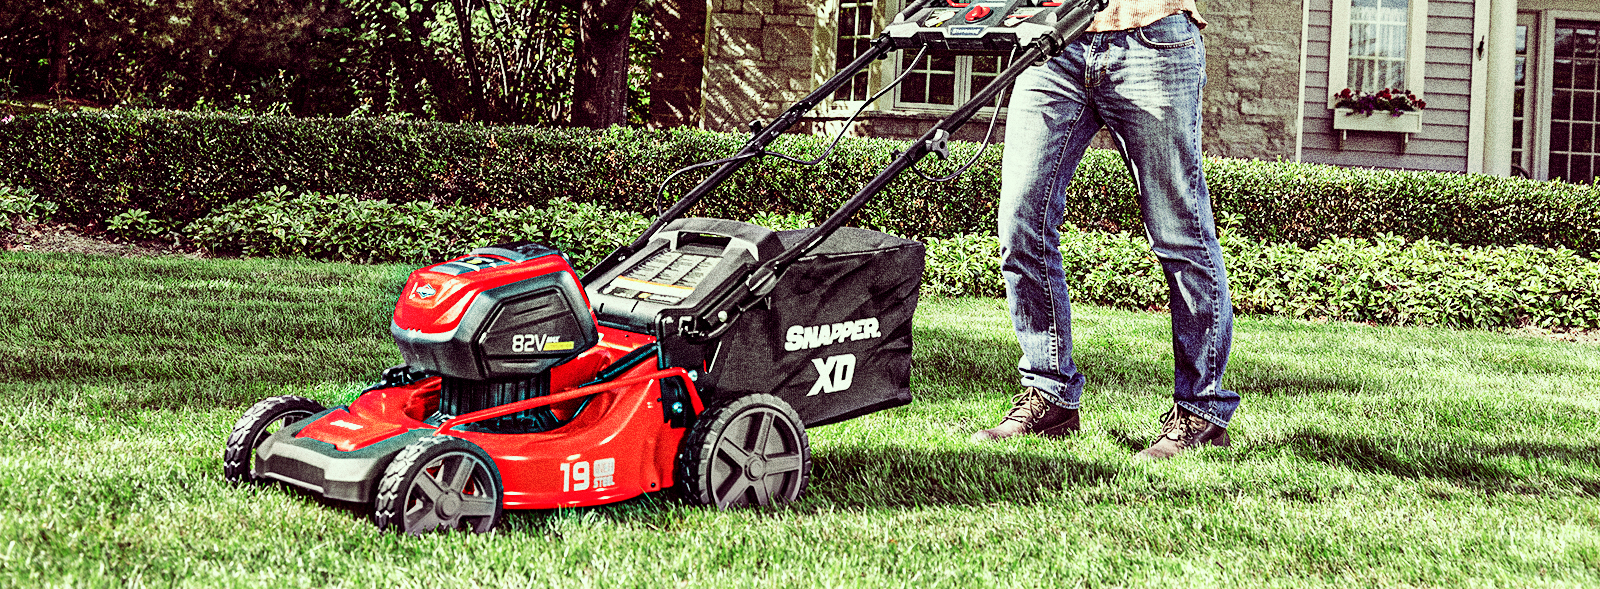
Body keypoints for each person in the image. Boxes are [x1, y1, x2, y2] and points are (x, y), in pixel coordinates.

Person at [969, 1, 1238, 459]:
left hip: (1153, 40)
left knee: (1179, 232)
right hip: (1053, 44)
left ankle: (1202, 411)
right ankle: (1049, 394)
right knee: (1021, 224)